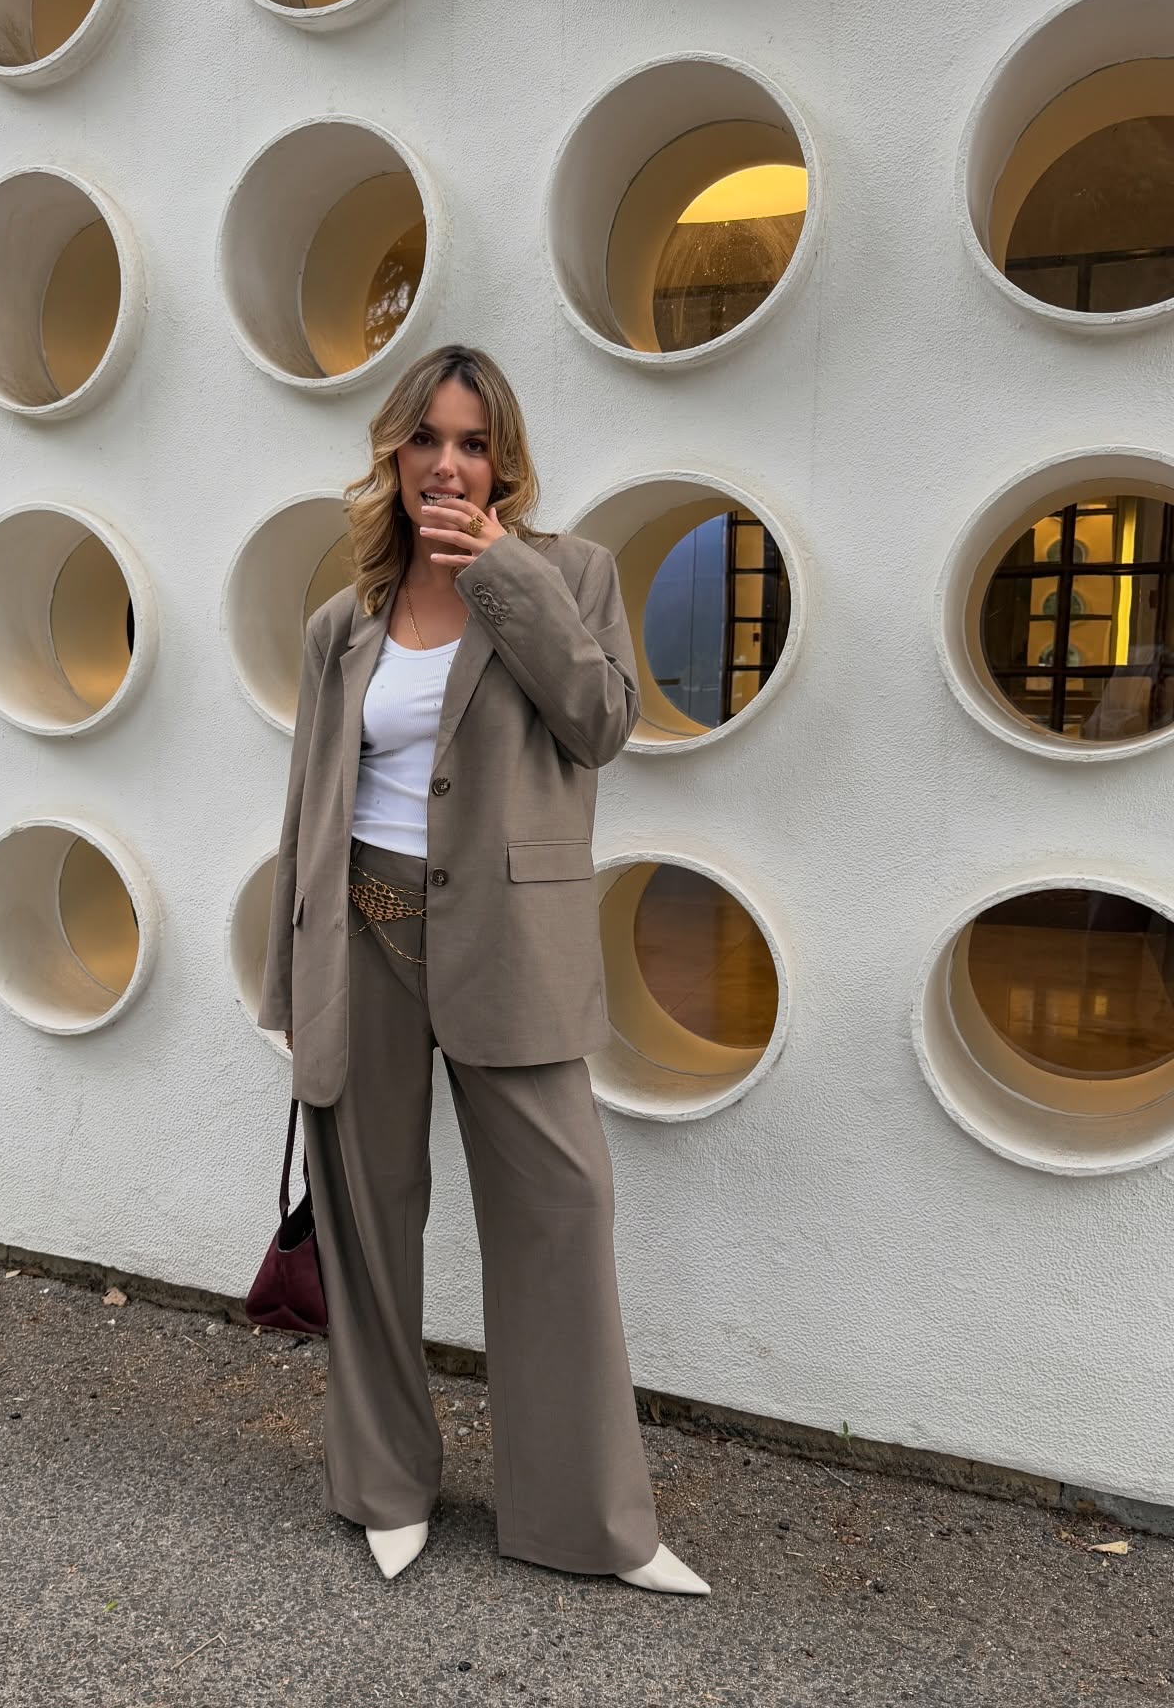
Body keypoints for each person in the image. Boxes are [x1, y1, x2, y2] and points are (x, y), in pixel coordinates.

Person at [258, 343, 709, 1595]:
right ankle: (384, 1485)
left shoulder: (569, 573)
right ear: (393, 455)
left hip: (508, 942)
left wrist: (500, 572)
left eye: (471, 442)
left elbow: (602, 722)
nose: (446, 465)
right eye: (425, 440)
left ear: (501, 458)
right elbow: (307, 807)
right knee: (368, 1217)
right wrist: (289, 985)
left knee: (562, 1210)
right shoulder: (344, 622)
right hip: (361, 930)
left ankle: (592, 1522)